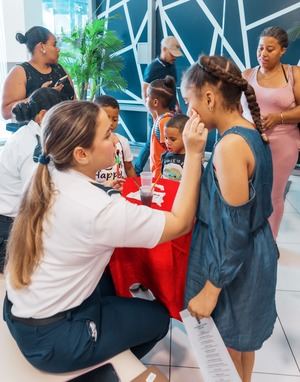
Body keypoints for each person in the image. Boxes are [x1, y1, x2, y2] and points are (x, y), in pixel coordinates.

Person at [4, 100, 207, 373]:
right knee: (157, 318)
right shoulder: (98, 210)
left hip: (20, 312)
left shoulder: (45, 171)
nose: (115, 138)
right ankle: (107, 368)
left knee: (110, 282)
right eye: (107, 134)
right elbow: (180, 223)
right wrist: (194, 154)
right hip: (53, 339)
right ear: (81, 154)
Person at [182, 55, 278, 382]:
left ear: (209, 98)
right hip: (251, 251)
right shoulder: (249, 132)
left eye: (188, 102)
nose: (186, 111)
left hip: (235, 262)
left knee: (227, 348)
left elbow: (235, 231)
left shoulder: (230, 147)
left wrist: (211, 288)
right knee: (239, 346)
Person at [242, 26, 300, 239]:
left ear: (283, 50)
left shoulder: (293, 74)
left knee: (274, 194)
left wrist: (278, 117)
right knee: (247, 193)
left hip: (283, 143)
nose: (263, 54)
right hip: (249, 143)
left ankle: (268, 243)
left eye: (270, 49)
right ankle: (249, 239)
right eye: (260, 48)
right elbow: (236, 110)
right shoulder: (247, 75)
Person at [0, 87, 64, 273]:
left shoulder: (29, 134)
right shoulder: (30, 144)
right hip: (9, 230)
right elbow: (36, 195)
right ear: (43, 115)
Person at [1, 25, 75, 120]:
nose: (58, 49)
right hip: (34, 132)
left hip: (65, 130)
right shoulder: (20, 72)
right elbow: (5, 112)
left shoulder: (60, 69)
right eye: (54, 45)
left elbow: (75, 101)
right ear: (42, 46)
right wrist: (39, 95)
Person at [134, 36, 183, 175]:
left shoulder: (171, 67)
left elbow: (173, 89)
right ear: (164, 49)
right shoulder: (153, 68)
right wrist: (153, 114)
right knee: (152, 143)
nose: (174, 57)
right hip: (157, 112)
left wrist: (177, 106)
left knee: (166, 143)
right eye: (172, 54)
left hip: (169, 111)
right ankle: (136, 170)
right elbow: (145, 91)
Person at [94, 95, 136, 182]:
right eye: (106, 117)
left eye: (115, 119)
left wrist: (136, 187)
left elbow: (129, 168)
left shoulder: (122, 141)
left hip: (119, 190)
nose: (110, 123)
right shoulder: (88, 142)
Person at [146, 75, 176, 179]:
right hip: (158, 173)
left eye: (147, 96)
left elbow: (170, 151)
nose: (145, 99)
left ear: (155, 102)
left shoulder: (164, 121)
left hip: (162, 175)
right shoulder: (161, 119)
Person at [161, 114, 188, 181]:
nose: (167, 142)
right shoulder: (165, 155)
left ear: (185, 137)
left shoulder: (191, 159)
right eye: (166, 138)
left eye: (173, 139)